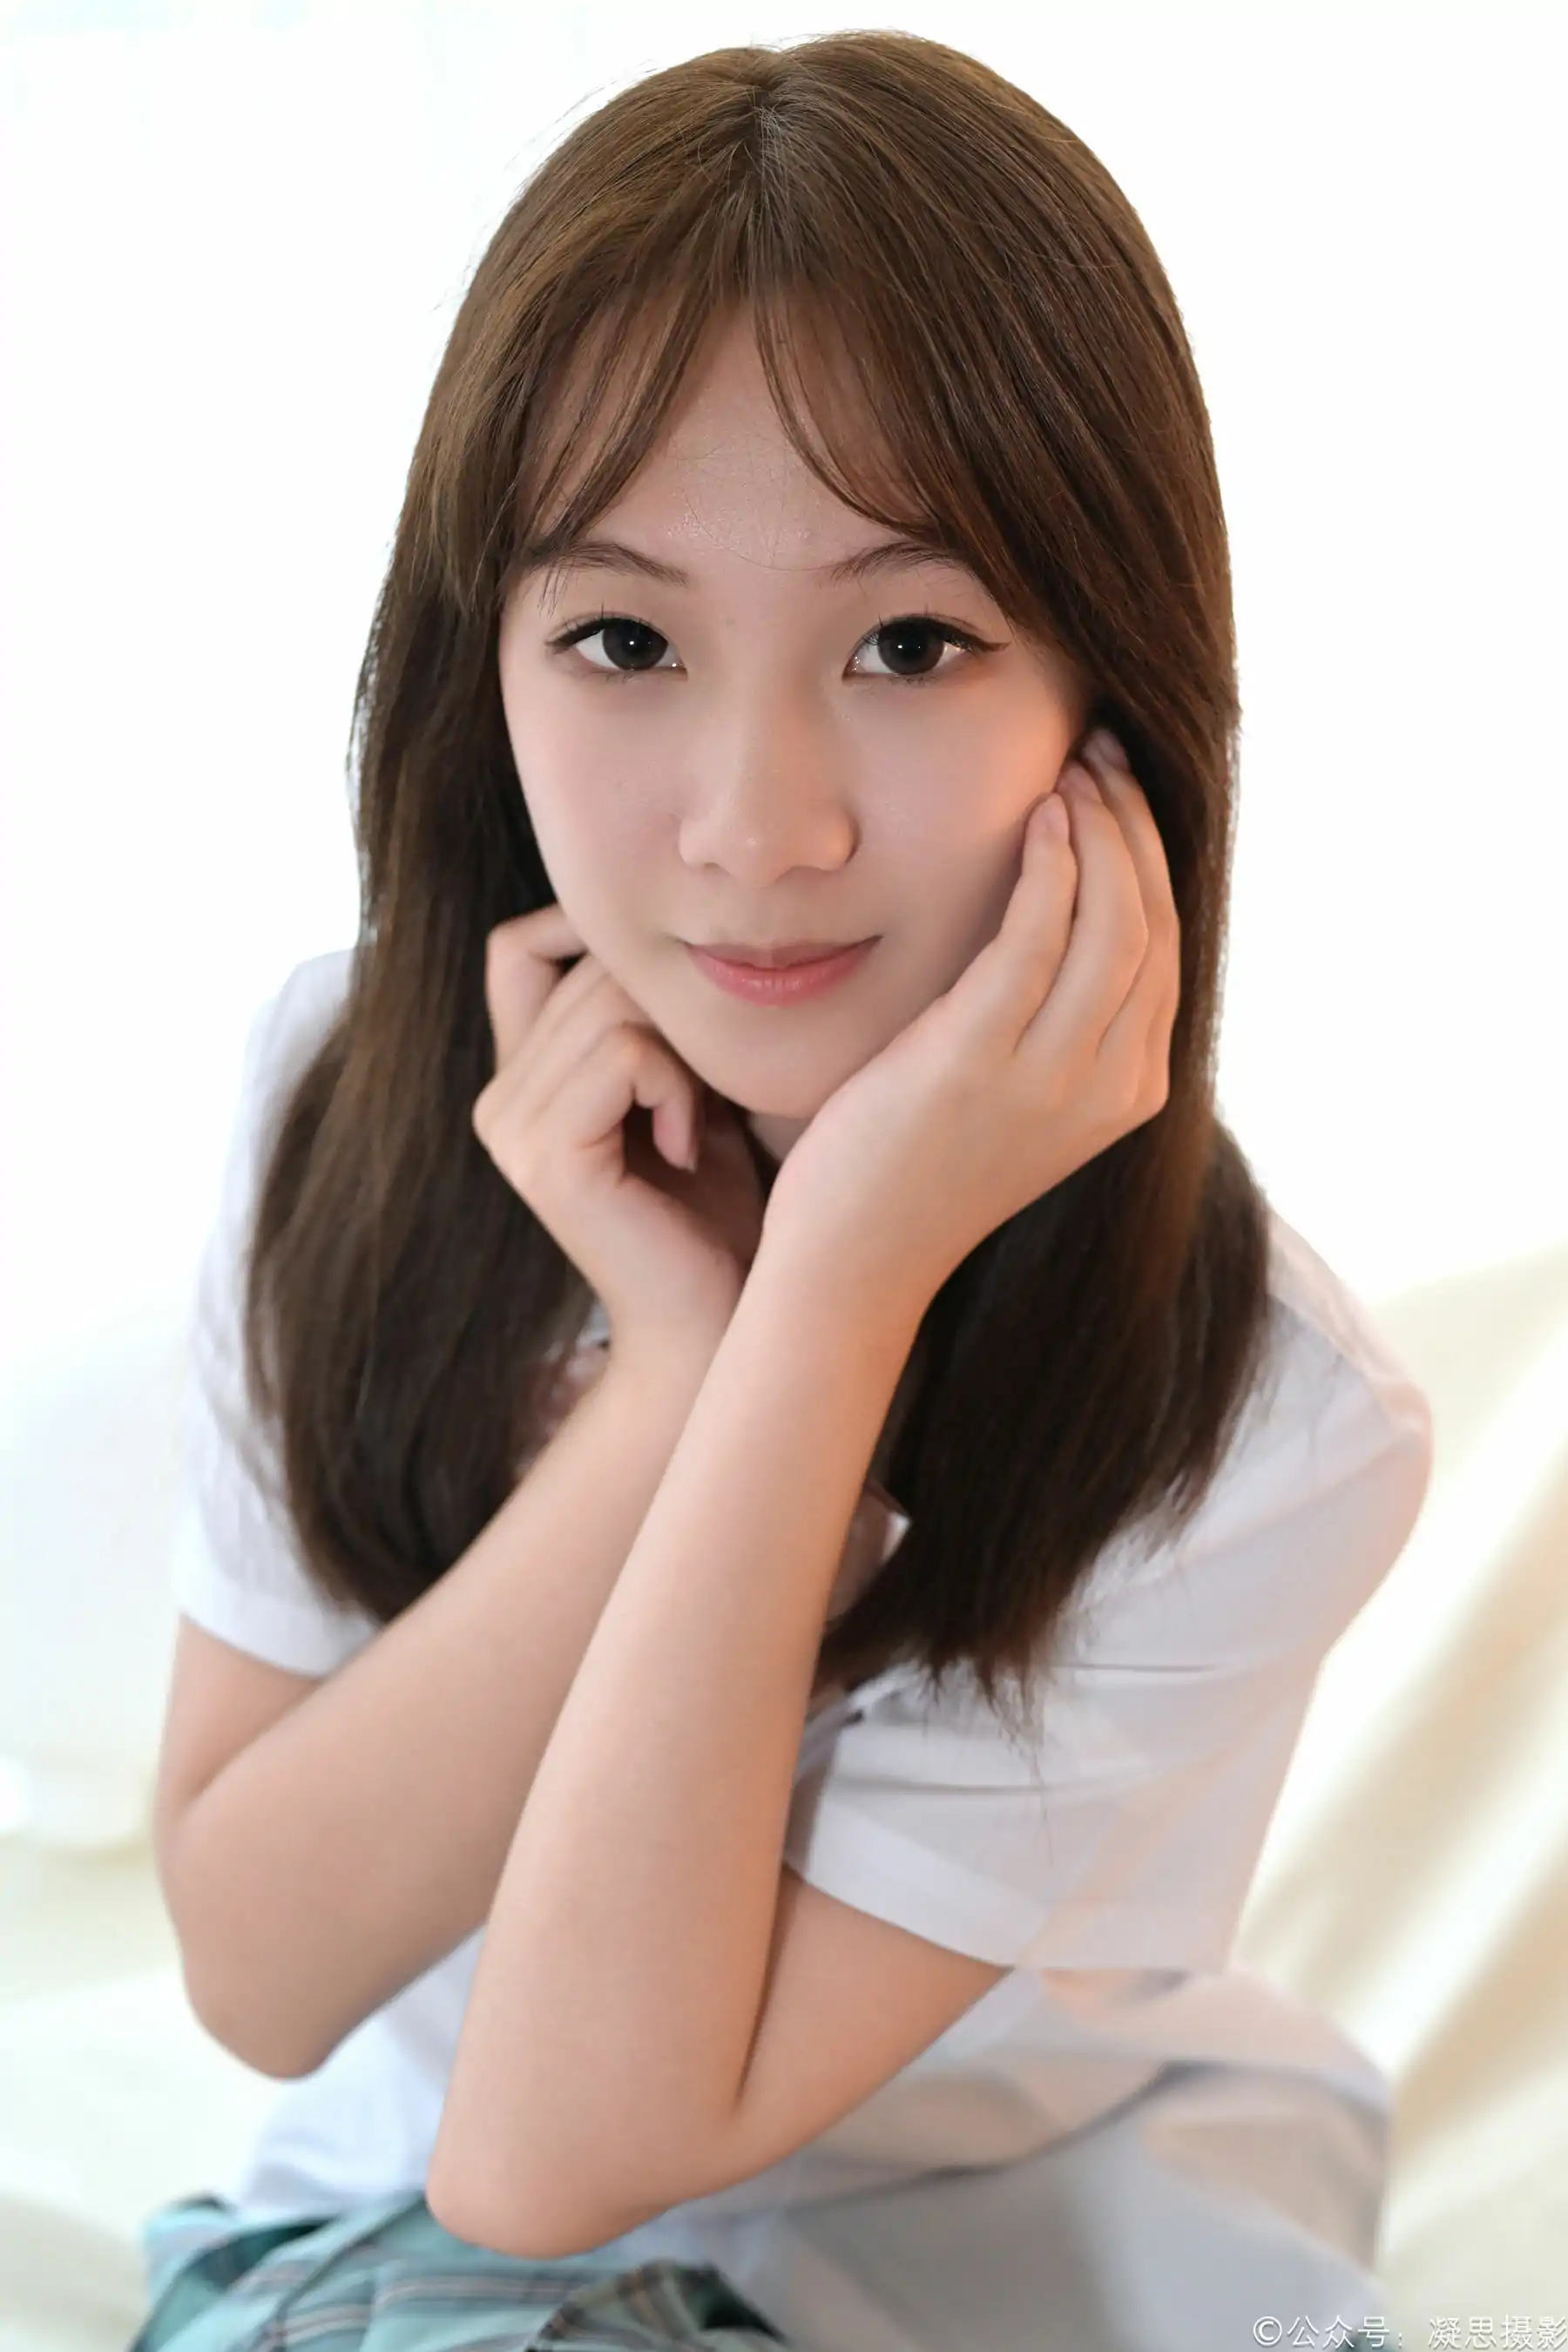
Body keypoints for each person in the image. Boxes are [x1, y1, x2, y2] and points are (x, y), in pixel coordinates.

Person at [131, 28, 1430, 2352]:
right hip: (403, 2266)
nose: (758, 825)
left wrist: (831, 1294)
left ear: (1111, 707)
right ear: (482, 668)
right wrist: (672, 1380)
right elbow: (259, 1968)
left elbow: (564, 2140)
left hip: (1013, 2277)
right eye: (623, 639)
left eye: (912, 643)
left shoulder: (1264, 1412)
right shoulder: (342, 1098)